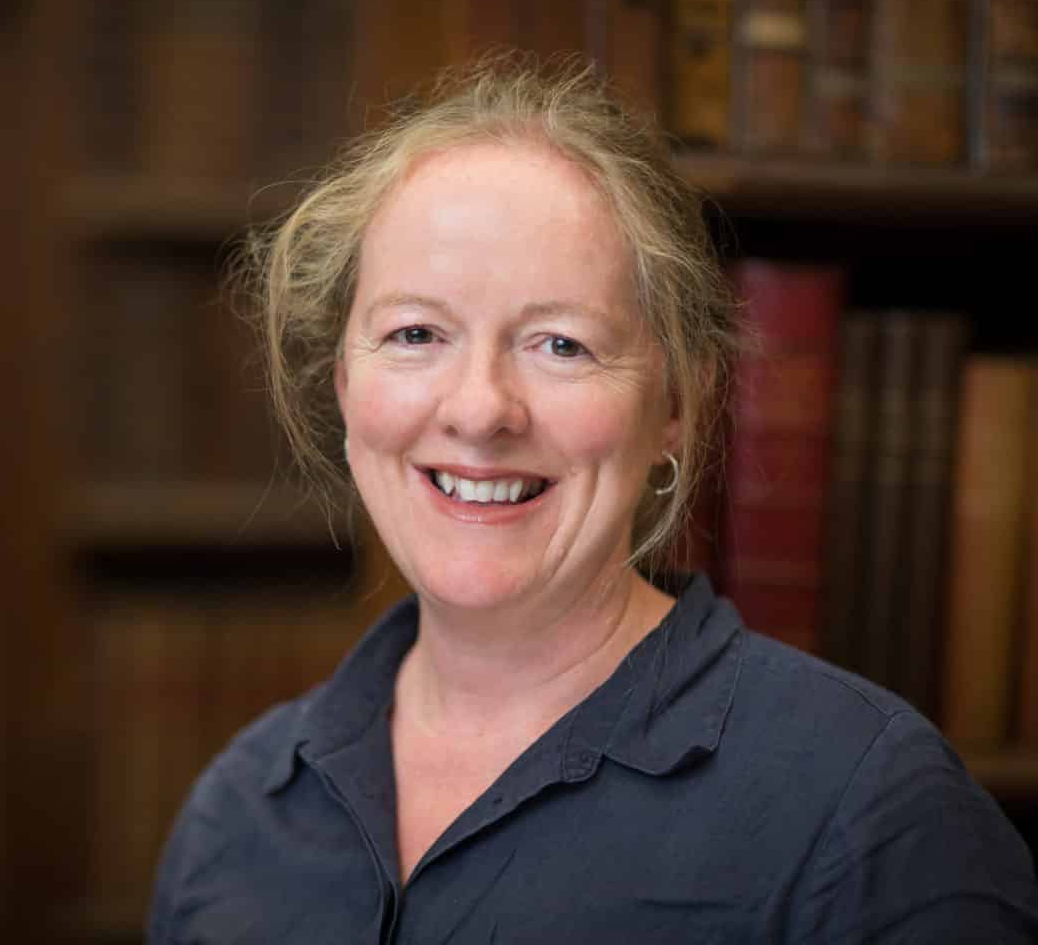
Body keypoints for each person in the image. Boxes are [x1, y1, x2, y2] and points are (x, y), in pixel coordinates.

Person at [147, 56, 1038, 943]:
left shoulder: (875, 813)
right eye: (416, 333)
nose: (480, 409)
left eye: (561, 344)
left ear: (679, 406)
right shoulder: (238, 813)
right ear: (345, 383)